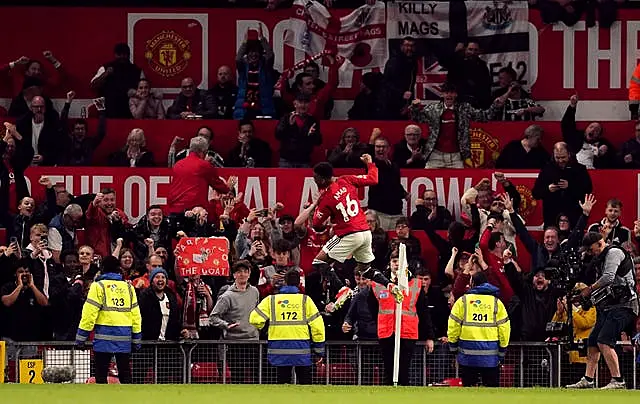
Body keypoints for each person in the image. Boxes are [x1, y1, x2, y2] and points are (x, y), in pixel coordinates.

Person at [567, 232, 638, 390]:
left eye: (590, 248)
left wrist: (588, 290)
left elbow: (608, 278)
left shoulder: (613, 253)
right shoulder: (600, 258)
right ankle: (588, 379)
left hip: (625, 305)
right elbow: (606, 289)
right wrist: (585, 299)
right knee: (593, 341)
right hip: (610, 306)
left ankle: (618, 380)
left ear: (599, 243)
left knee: (604, 340)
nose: (590, 252)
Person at [249, 269, 325, 385]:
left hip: (278, 351)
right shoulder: (305, 300)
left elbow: (254, 319)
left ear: (284, 282)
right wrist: (319, 351)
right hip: (302, 351)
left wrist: (264, 328)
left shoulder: (271, 300)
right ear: (299, 283)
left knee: (282, 387)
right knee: (305, 386)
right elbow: (318, 327)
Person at [75, 256, 142, 384]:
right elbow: (136, 316)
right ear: (118, 269)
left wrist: (81, 338)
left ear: (102, 269)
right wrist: (136, 339)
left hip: (103, 339)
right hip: (124, 338)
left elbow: (89, 314)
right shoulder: (129, 287)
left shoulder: (98, 286)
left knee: (101, 374)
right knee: (125, 374)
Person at [309, 154, 378, 277]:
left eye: (315, 177)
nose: (314, 179)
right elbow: (373, 179)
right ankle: (389, 285)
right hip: (365, 232)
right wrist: (370, 164)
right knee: (365, 270)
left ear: (322, 180)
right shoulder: (346, 180)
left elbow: (316, 225)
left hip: (349, 233)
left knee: (318, 262)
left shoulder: (326, 199)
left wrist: (315, 207)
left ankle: (342, 289)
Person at [448, 272, 510, 387]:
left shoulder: (463, 301)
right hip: (490, 358)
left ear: (471, 283)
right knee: (492, 394)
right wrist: (502, 351)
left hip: (467, 357)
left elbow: (453, 327)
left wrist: (453, 347)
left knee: (468, 393)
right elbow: (504, 330)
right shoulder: (497, 303)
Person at [167, 136, 232, 215]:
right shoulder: (204, 165)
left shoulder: (178, 164)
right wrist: (228, 189)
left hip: (174, 209)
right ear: (204, 151)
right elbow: (217, 184)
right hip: (194, 210)